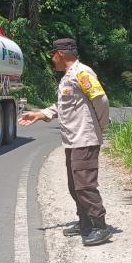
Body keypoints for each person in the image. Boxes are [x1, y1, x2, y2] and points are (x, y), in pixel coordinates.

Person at [19, 38, 112, 246]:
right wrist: (40, 114)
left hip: (84, 139)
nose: (52, 60)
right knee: (74, 185)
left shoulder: (82, 73)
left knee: (85, 185)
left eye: (53, 55)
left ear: (60, 54)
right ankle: (85, 222)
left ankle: (100, 226)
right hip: (72, 140)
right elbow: (63, 106)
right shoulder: (68, 77)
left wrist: (100, 126)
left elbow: (101, 100)